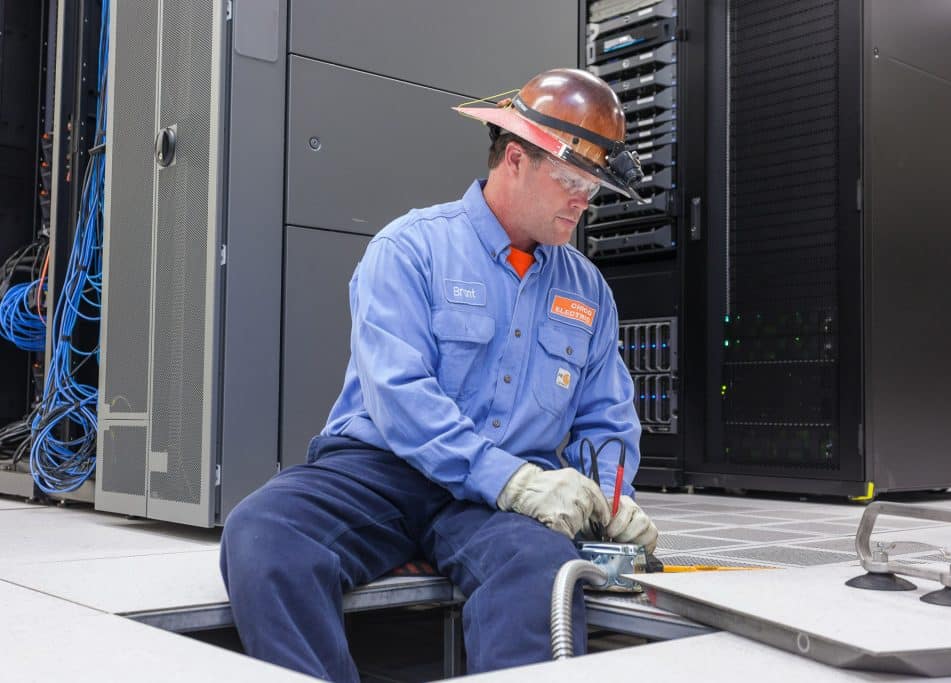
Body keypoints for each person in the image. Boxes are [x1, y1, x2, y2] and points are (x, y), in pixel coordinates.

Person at [219, 67, 659, 681]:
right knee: (265, 537)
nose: (584, 200)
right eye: (571, 181)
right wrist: (512, 482)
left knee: (539, 569)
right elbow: (400, 400)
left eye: (593, 187)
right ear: (515, 158)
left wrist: (611, 498)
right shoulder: (410, 250)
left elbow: (605, 417)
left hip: (500, 501)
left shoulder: (587, 292)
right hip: (383, 472)